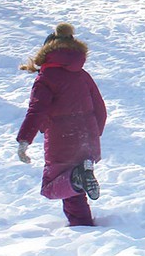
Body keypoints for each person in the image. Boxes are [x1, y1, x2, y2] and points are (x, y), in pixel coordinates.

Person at [16, 23, 107, 227]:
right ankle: (83, 226)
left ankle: (76, 180)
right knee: (75, 190)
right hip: (87, 140)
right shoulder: (82, 75)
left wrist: (24, 140)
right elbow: (100, 108)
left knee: (52, 186)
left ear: (46, 53)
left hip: (62, 140)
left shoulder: (46, 79)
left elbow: (36, 111)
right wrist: (94, 134)